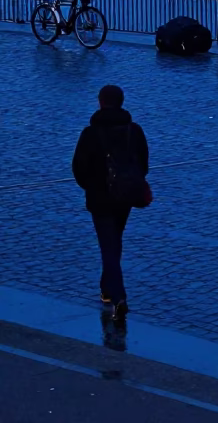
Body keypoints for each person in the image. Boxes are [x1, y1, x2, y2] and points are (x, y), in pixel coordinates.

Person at [72, 84, 149, 323]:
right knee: (114, 240)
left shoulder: (90, 133)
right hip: (125, 196)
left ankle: (118, 295)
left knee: (108, 245)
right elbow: (143, 164)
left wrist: (91, 187)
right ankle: (107, 289)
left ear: (100, 102)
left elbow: (78, 168)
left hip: (99, 197)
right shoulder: (133, 131)